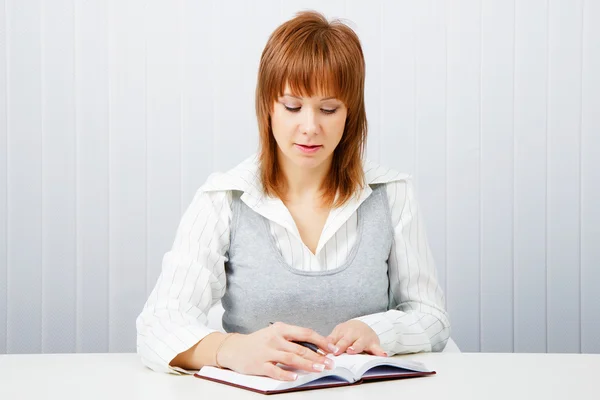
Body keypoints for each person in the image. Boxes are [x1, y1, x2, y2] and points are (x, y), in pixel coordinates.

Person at [136, 10, 450, 381]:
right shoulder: (224, 198)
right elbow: (158, 323)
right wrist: (230, 350)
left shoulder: (391, 194)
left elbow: (431, 315)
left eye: (328, 109)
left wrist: (381, 330)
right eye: (292, 106)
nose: (310, 127)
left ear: (351, 114)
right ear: (268, 107)